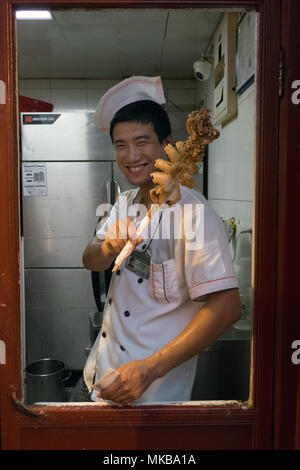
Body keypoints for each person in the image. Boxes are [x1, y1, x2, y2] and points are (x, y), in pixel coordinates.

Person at [81, 76, 242, 405]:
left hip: (155, 395)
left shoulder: (193, 212)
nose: (131, 155)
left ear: (167, 142)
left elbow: (227, 308)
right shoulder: (125, 201)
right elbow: (90, 260)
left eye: (142, 141)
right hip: (105, 376)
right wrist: (109, 246)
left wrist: (149, 370)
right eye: (120, 144)